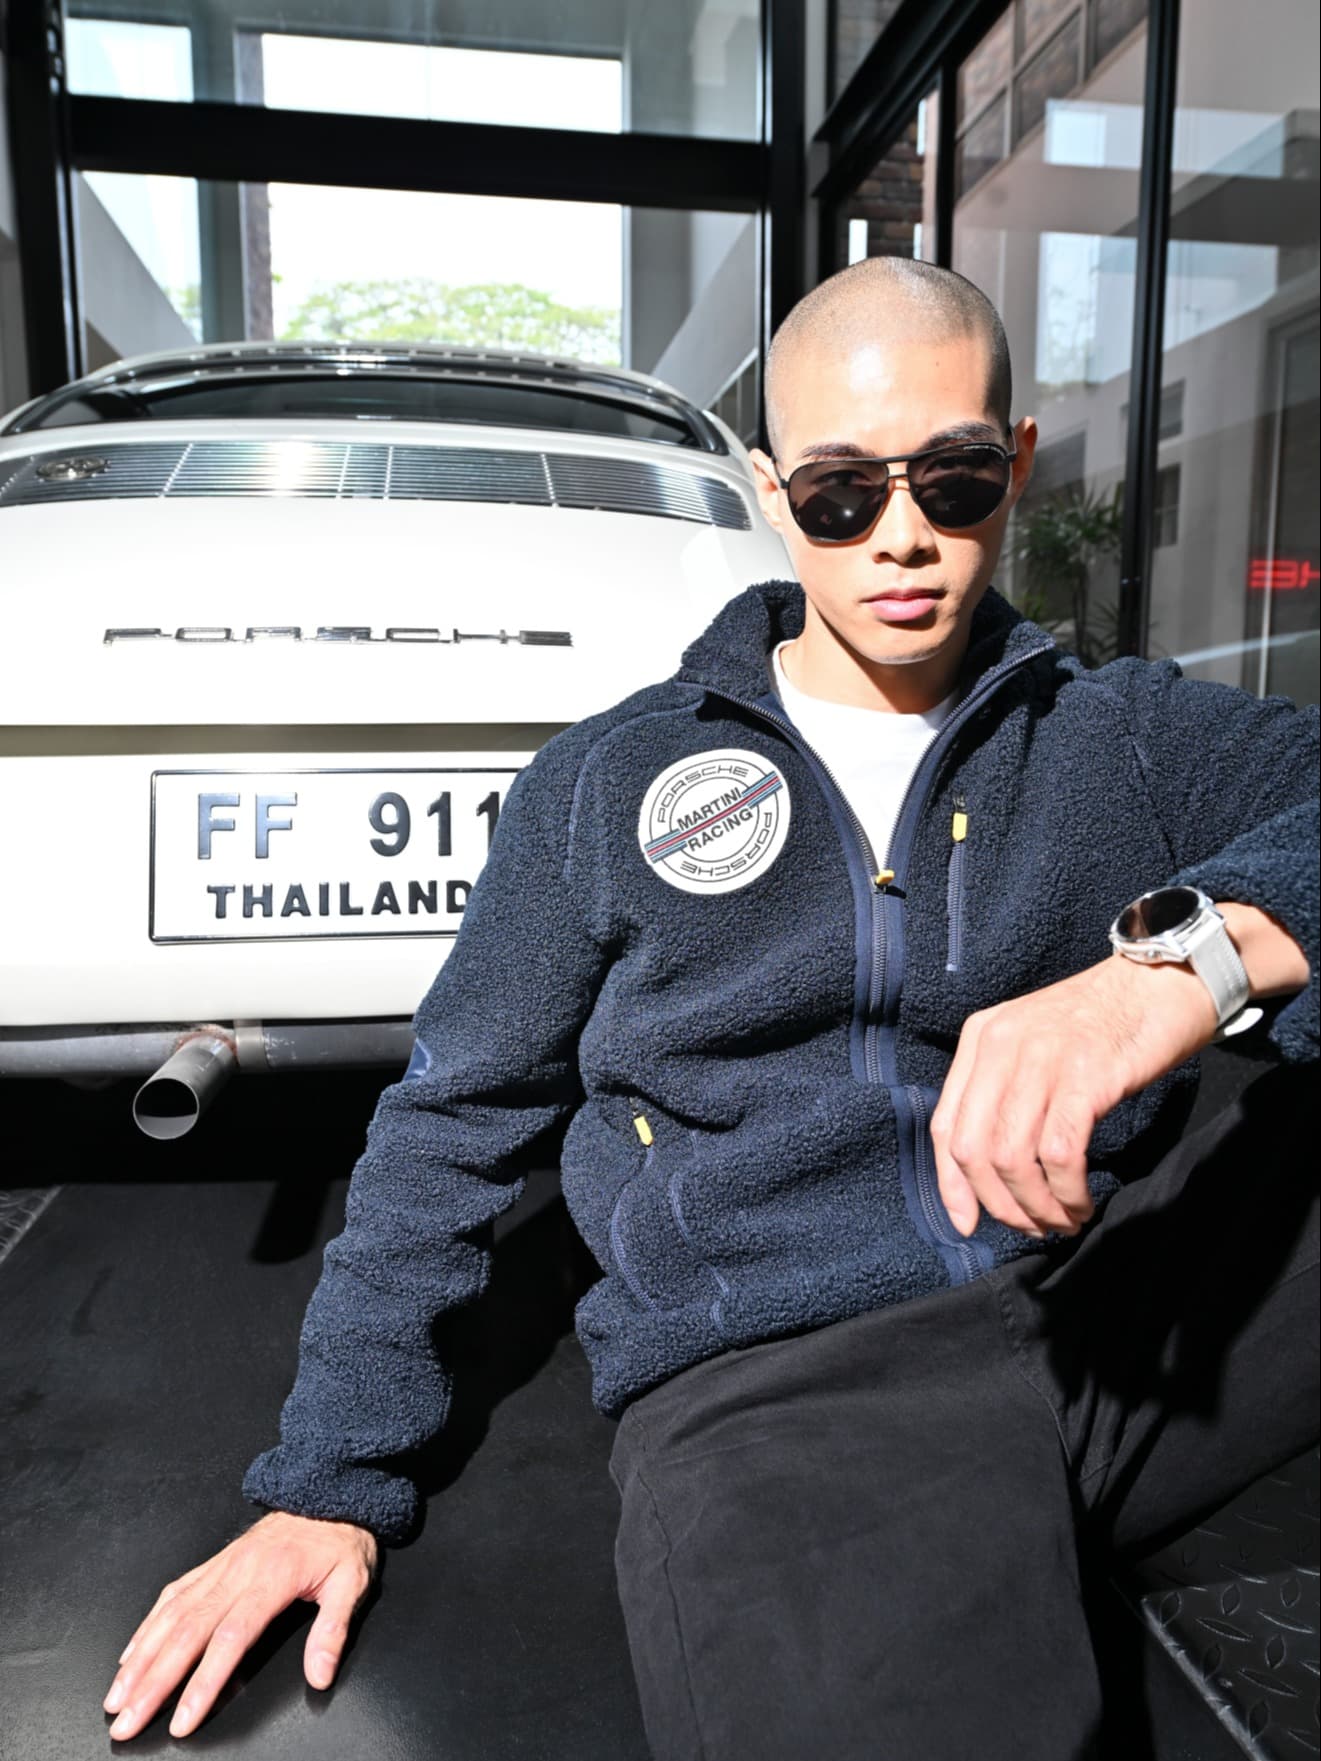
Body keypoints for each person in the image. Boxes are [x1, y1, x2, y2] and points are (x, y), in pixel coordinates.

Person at [102, 258, 1318, 1759]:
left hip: (1111, 1310)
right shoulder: (608, 786)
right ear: (766, 489)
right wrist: (322, 1480)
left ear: (1010, 465)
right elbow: (450, 1122)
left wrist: (1182, 970)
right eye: (839, 493)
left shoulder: (1119, 733)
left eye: (948, 480)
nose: (903, 540)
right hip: (795, 1386)